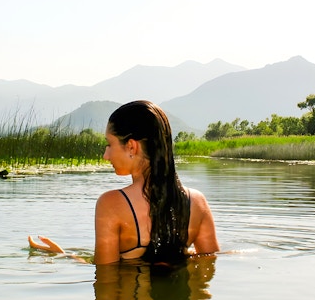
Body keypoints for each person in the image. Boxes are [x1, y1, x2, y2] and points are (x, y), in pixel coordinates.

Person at [28, 100, 219, 265]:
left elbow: (104, 275)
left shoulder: (112, 204)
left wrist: (64, 256)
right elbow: (209, 264)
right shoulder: (197, 202)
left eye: (109, 144)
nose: (105, 155)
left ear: (131, 146)